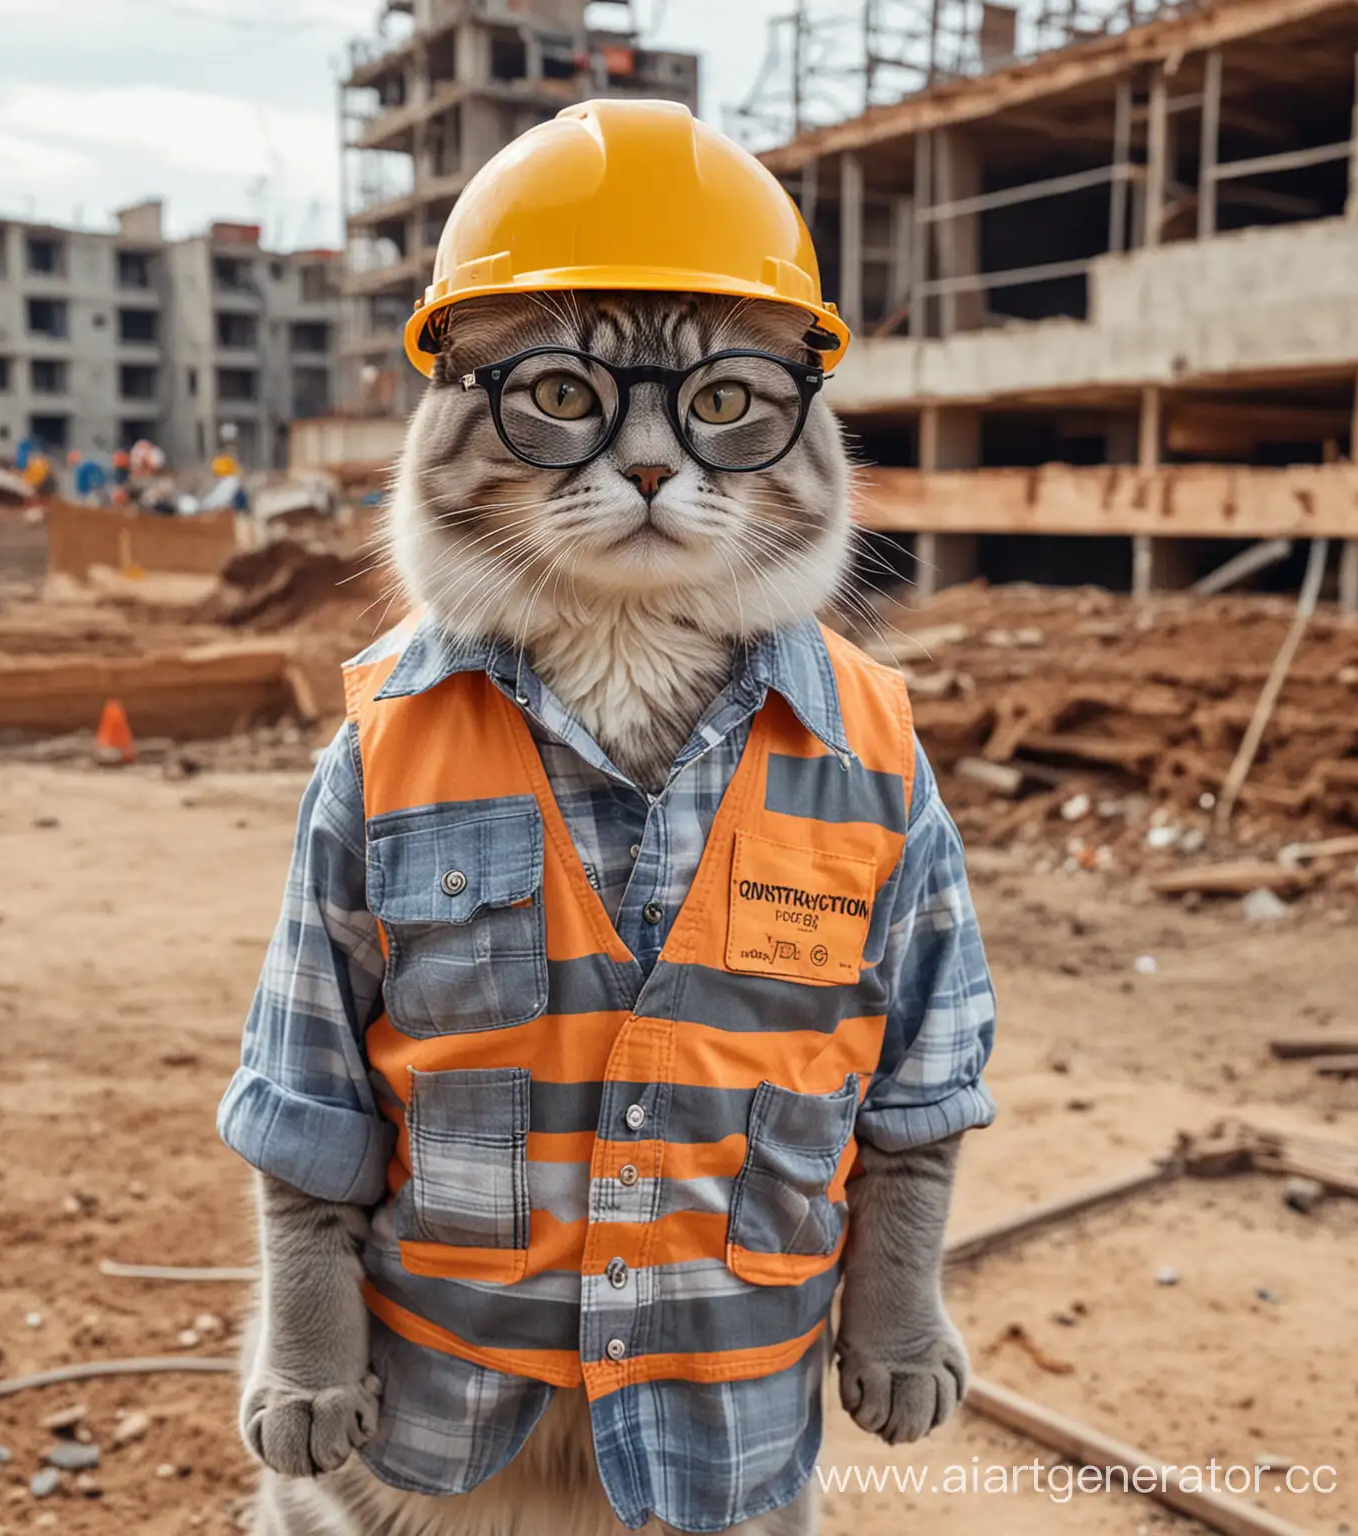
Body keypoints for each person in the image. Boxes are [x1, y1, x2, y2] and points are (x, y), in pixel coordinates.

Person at [218, 100, 995, 1536]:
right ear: (453, 389)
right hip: (432, 1450)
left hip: (725, 1444)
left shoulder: (875, 759)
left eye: (719, 406)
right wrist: (306, 1343)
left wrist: (898, 1301)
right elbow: (306, 1087)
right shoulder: (386, 750)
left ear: (806, 408)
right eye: (563, 394)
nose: (648, 464)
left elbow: (922, 1082)